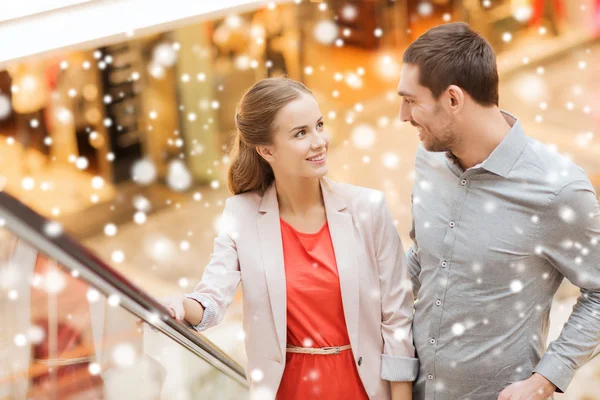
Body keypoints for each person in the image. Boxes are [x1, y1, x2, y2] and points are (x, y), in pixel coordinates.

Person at [164, 77, 418, 399]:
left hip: (362, 389)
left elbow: (396, 320)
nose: (319, 141)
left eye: (319, 125)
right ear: (266, 150)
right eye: (301, 133)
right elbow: (212, 299)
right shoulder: (241, 216)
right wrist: (181, 307)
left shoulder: (368, 210)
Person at [397, 22, 600, 399]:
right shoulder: (428, 162)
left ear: (453, 99)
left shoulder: (559, 190)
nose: (402, 115)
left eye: (411, 100)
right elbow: (422, 258)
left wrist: (544, 382)